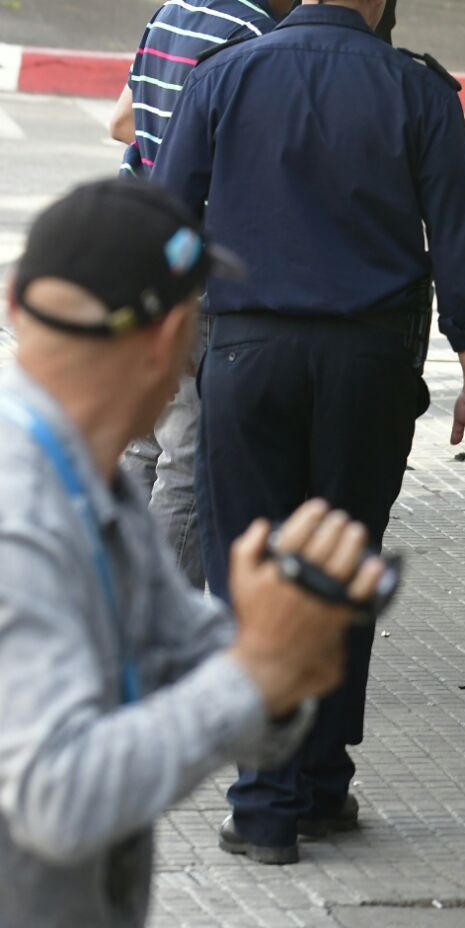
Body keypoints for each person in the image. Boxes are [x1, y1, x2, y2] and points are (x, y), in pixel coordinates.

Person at [0, 179, 384, 928]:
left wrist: (290, 648)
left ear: (19, 305)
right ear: (177, 337)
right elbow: (59, 798)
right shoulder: (26, 511)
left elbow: (185, 655)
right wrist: (256, 674)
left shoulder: (85, 476)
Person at [153, 0, 465, 865]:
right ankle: (318, 781)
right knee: (342, 564)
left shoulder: (226, 77)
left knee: (253, 571)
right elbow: (459, 250)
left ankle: (266, 803)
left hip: (248, 361)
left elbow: (163, 222)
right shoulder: (417, 91)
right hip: (370, 366)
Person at [107, 0, 292, 589]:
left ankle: (113, 596)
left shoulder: (171, 13)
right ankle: (158, 622)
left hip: (146, 248)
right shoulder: (257, 36)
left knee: (142, 444)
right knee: (190, 457)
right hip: (204, 273)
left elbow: (129, 129)